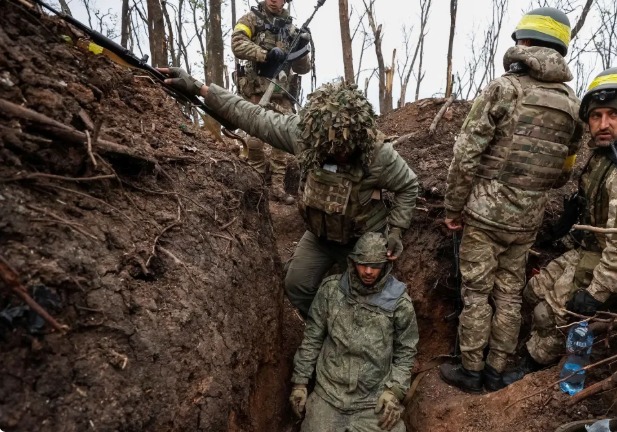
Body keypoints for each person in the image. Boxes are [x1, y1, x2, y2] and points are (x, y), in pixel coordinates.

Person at [159, 69, 418, 318]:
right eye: (330, 149)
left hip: (363, 238)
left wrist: (395, 231)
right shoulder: (305, 137)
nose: (336, 155)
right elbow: (252, 116)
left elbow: (408, 186)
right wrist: (198, 88)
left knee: (369, 296)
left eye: (343, 152)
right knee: (296, 286)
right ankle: (326, 327)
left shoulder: (378, 155)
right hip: (320, 235)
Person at [439, 7, 584, 393]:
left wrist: (453, 209)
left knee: (477, 296)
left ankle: (471, 371)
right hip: (526, 221)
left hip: (485, 216)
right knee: (508, 296)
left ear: (524, 43)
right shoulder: (573, 103)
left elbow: (466, 155)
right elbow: (565, 171)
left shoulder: (504, 88)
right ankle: (497, 373)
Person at [515, 66, 617, 378]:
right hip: (594, 249)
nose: (603, 124)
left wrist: (595, 294)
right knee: (532, 291)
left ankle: (533, 368)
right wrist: (562, 234)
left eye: (613, 115)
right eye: (596, 116)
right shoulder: (608, 155)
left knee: (547, 312)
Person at [288, 232, 418, 432]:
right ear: (352, 261)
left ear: (385, 265)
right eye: (363, 264)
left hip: (372, 399)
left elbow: (406, 351)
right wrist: (300, 382)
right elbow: (312, 338)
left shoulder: (399, 303)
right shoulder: (331, 290)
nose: (368, 271)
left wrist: (394, 391)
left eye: (375, 266)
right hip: (329, 395)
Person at [232, 0, 311, 204]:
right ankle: (255, 183)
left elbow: (303, 68)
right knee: (255, 138)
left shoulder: (292, 28)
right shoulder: (252, 19)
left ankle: (277, 187)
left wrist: (302, 47)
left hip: (282, 93)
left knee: (282, 142)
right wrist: (265, 54)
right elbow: (237, 43)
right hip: (257, 90)